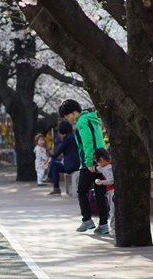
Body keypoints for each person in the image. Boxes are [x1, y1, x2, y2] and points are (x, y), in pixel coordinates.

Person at [58, 98, 108, 234]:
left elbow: (87, 143)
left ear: (75, 112)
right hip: (102, 160)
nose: (69, 120)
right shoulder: (92, 119)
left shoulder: (81, 122)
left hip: (90, 162)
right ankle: (104, 224)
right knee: (100, 194)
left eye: (69, 116)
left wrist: (88, 162)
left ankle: (87, 220)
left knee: (81, 191)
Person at [47, 120, 80, 196]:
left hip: (72, 164)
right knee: (55, 168)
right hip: (74, 163)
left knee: (54, 161)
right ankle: (56, 189)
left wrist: (51, 158)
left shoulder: (67, 138)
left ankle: (49, 177)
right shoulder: (73, 136)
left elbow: (59, 151)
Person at [94, 148, 115, 236]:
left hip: (112, 190)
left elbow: (111, 180)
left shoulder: (107, 169)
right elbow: (98, 168)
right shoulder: (109, 166)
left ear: (101, 159)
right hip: (111, 190)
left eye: (97, 161)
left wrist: (102, 182)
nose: (97, 164)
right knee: (112, 209)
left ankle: (114, 228)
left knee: (112, 210)